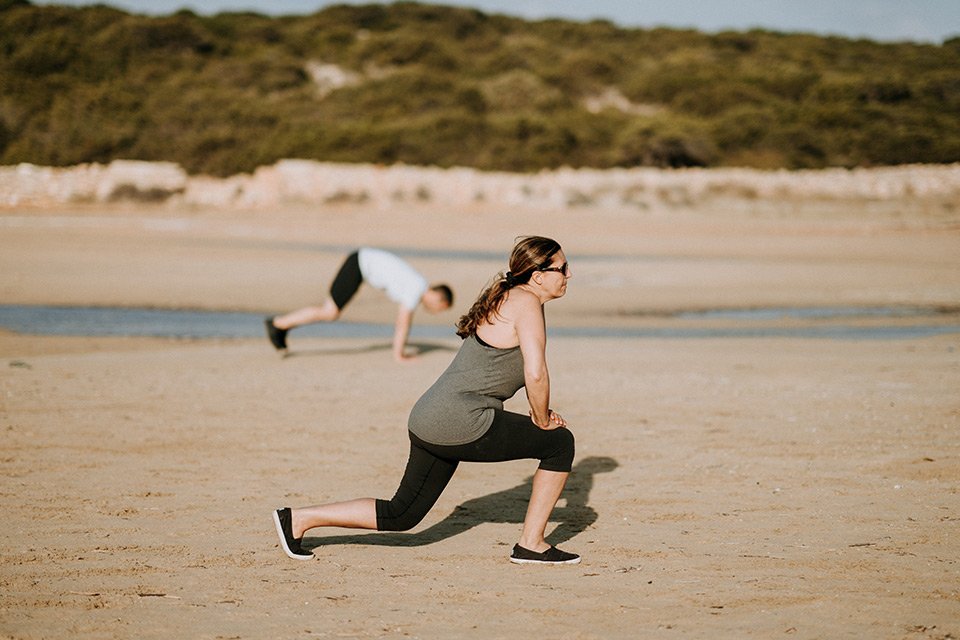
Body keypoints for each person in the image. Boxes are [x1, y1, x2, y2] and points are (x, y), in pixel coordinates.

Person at [272, 236, 579, 564]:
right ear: (538, 276)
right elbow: (535, 373)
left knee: (402, 514)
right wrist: (542, 419)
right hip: (459, 420)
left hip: (430, 417)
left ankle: (298, 519)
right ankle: (531, 543)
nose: (568, 274)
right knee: (558, 444)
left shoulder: (509, 295)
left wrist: (539, 413)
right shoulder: (526, 302)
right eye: (562, 268)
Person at [264, 247, 454, 362]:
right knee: (330, 311)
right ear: (439, 299)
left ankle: (280, 326)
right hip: (358, 263)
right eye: (440, 309)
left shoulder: (417, 284)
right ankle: (278, 324)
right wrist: (399, 355)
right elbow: (403, 322)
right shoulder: (416, 288)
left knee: (330, 311)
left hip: (360, 263)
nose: (435, 312)